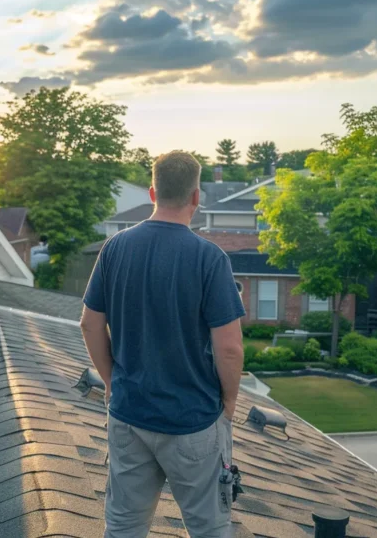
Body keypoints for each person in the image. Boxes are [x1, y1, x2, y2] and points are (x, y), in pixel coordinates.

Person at [80, 151, 245, 538]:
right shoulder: (210, 259)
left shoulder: (114, 248)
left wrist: (111, 382)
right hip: (193, 422)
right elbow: (230, 349)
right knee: (210, 530)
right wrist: (231, 401)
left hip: (129, 416)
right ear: (196, 197)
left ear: (153, 192)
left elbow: (89, 325)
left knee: (122, 526)